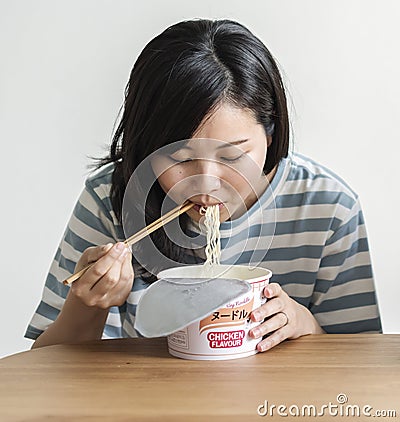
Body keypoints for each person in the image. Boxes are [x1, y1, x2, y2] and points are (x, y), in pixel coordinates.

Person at [26, 19, 382, 351]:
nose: (207, 182)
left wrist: (306, 325)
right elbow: (43, 369)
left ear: (270, 134)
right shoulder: (110, 197)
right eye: (180, 159)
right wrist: (88, 305)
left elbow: (362, 365)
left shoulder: (327, 206)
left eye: (231, 157)